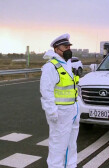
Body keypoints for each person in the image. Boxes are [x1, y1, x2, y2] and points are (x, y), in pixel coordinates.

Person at [40, 33, 80, 168]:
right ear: (57, 49)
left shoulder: (67, 64)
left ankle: (71, 165)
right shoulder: (51, 67)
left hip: (72, 110)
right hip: (60, 112)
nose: (68, 49)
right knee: (58, 146)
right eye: (65, 46)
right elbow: (46, 92)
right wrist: (52, 113)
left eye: (69, 46)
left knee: (71, 144)